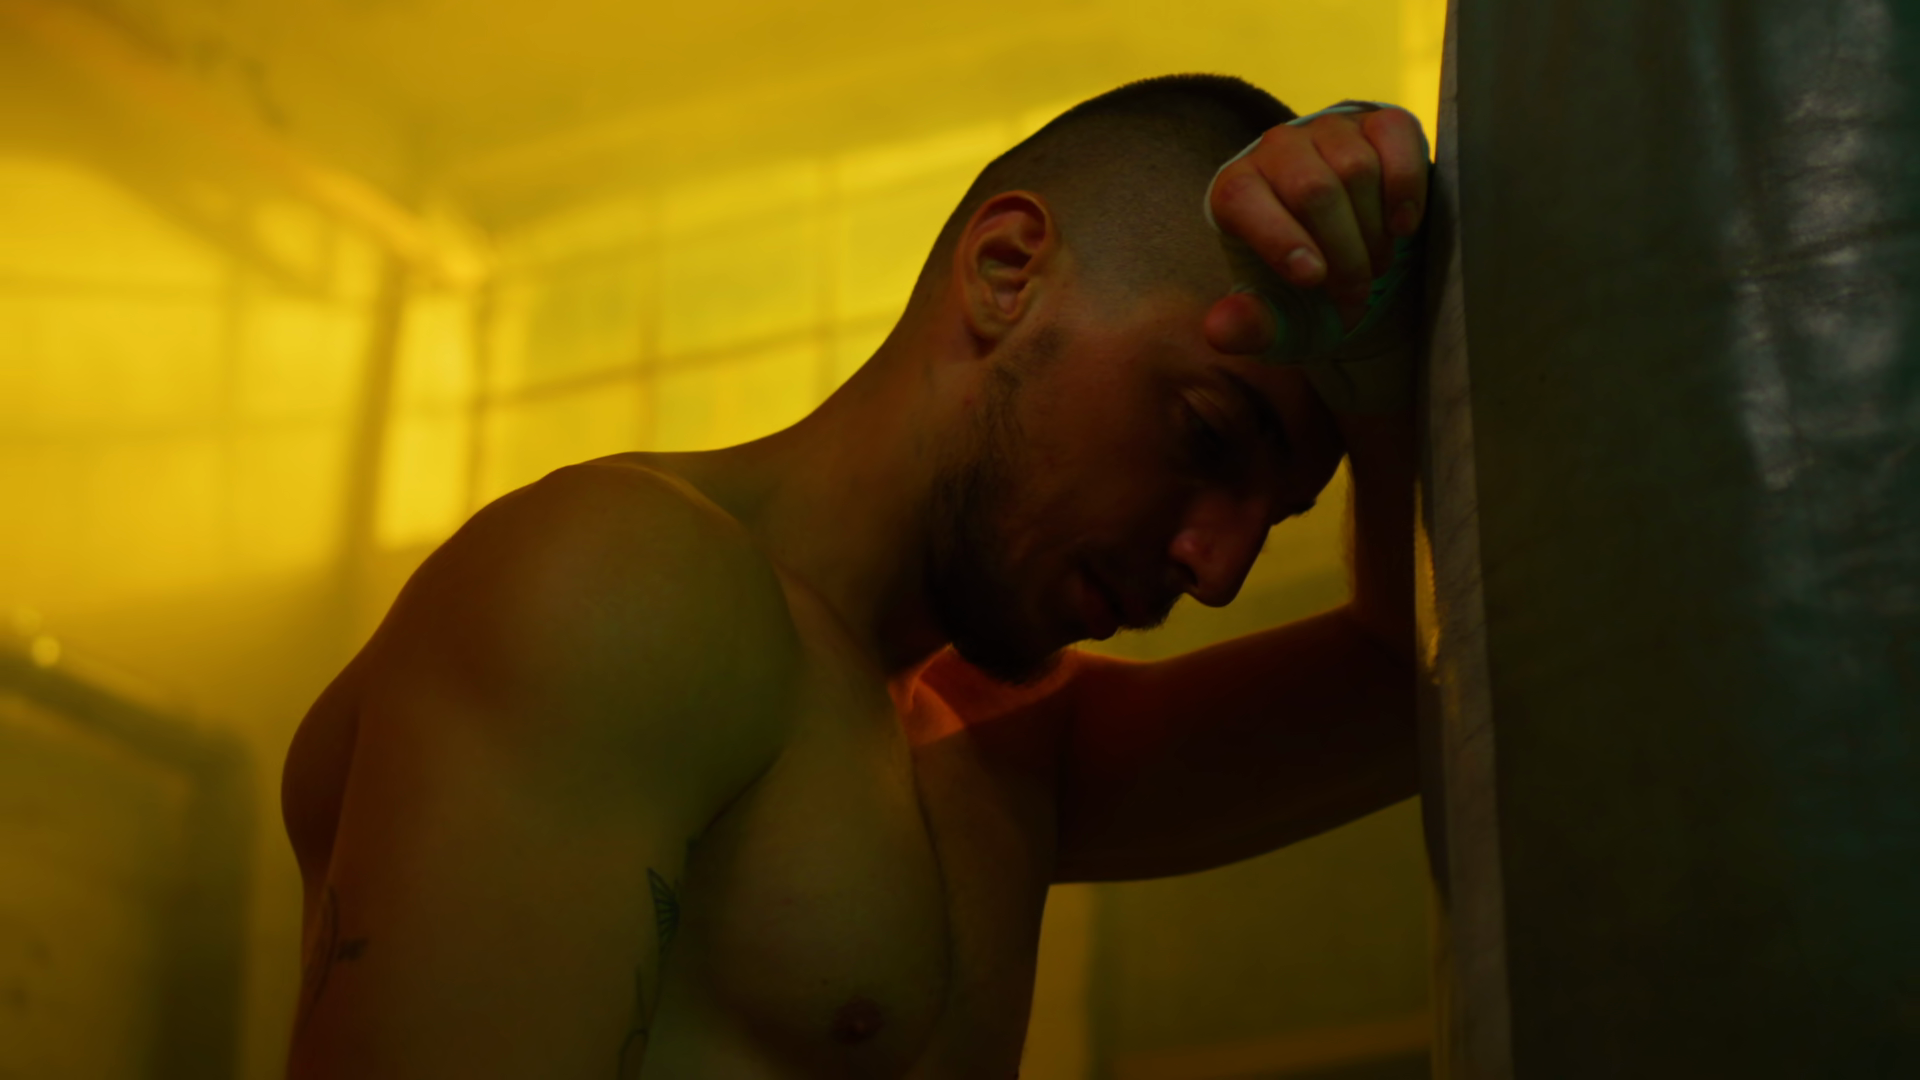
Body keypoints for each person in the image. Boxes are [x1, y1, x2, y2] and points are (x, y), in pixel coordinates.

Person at [281, 72, 1431, 1079]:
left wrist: (1386, 340)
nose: (1219, 570)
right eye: (1206, 435)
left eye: (1275, 516)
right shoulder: (619, 578)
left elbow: (1420, 674)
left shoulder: (1004, 745)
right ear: (1008, 272)